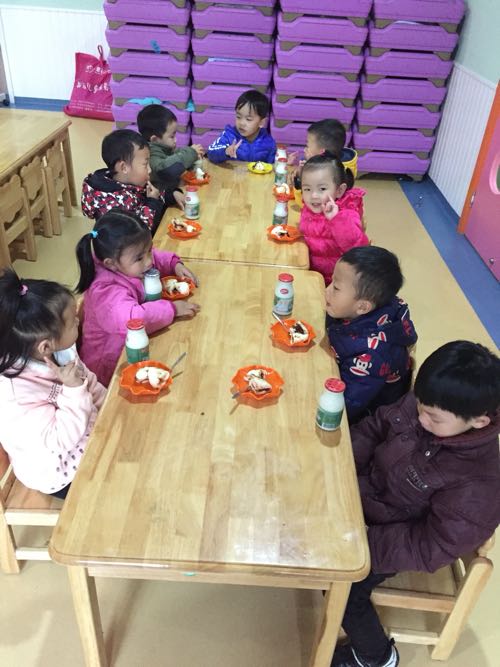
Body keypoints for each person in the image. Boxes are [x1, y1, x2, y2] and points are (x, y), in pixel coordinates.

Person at [332, 340, 500, 667]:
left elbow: (431, 545)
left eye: (434, 418)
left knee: (343, 590)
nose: (421, 418)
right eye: (419, 406)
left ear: (479, 421)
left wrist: (363, 545)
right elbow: (377, 426)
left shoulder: (478, 484)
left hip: (391, 538)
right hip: (362, 498)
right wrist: (341, 465)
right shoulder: (432, 401)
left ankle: (376, 656)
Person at [0, 269, 106, 499]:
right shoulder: (15, 395)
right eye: (72, 322)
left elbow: (89, 382)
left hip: (84, 432)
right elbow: (58, 441)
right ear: (45, 346)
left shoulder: (60, 350)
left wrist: (109, 407)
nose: (78, 320)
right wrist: (73, 390)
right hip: (59, 471)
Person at [76, 209, 200, 387]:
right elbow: (134, 319)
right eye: (140, 258)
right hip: (108, 370)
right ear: (111, 264)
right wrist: (172, 309)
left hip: (130, 349)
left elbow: (153, 256)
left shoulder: (125, 261)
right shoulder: (105, 292)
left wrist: (174, 264)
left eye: (148, 250)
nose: (149, 261)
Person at [325, 246, 417, 423]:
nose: (327, 290)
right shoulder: (359, 309)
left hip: (363, 416)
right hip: (339, 369)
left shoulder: (372, 355)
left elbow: (347, 406)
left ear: (362, 307)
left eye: (335, 287)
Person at [81, 129, 171, 235]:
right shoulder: (112, 205)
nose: (150, 170)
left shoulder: (130, 180)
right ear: (124, 167)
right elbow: (137, 233)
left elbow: (151, 192)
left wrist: (171, 195)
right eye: (145, 164)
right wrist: (152, 203)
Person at [299, 153, 368, 286]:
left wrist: (337, 220)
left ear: (339, 190)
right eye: (307, 189)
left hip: (335, 283)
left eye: (322, 189)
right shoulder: (310, 208)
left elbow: (358, 251)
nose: (313, 195)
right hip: (312, 275)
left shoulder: (346, 215)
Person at [137, 104, 205, 205]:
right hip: (162, 202)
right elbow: (166, 169)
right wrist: (190, 153)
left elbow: (174, 156)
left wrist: (191, 158)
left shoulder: (162, 148)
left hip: (173, 193)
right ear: (154, 139)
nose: (175, 140)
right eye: (172, 136)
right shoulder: (151, 155)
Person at [206, 90, 276, 164]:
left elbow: (272, 166)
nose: (242, 123)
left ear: (261, 122)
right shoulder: (229, 135)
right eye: (238, 117)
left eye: (248, 119)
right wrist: (225, 151)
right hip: (232, 171)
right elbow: (210, 153)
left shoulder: (268, 142)